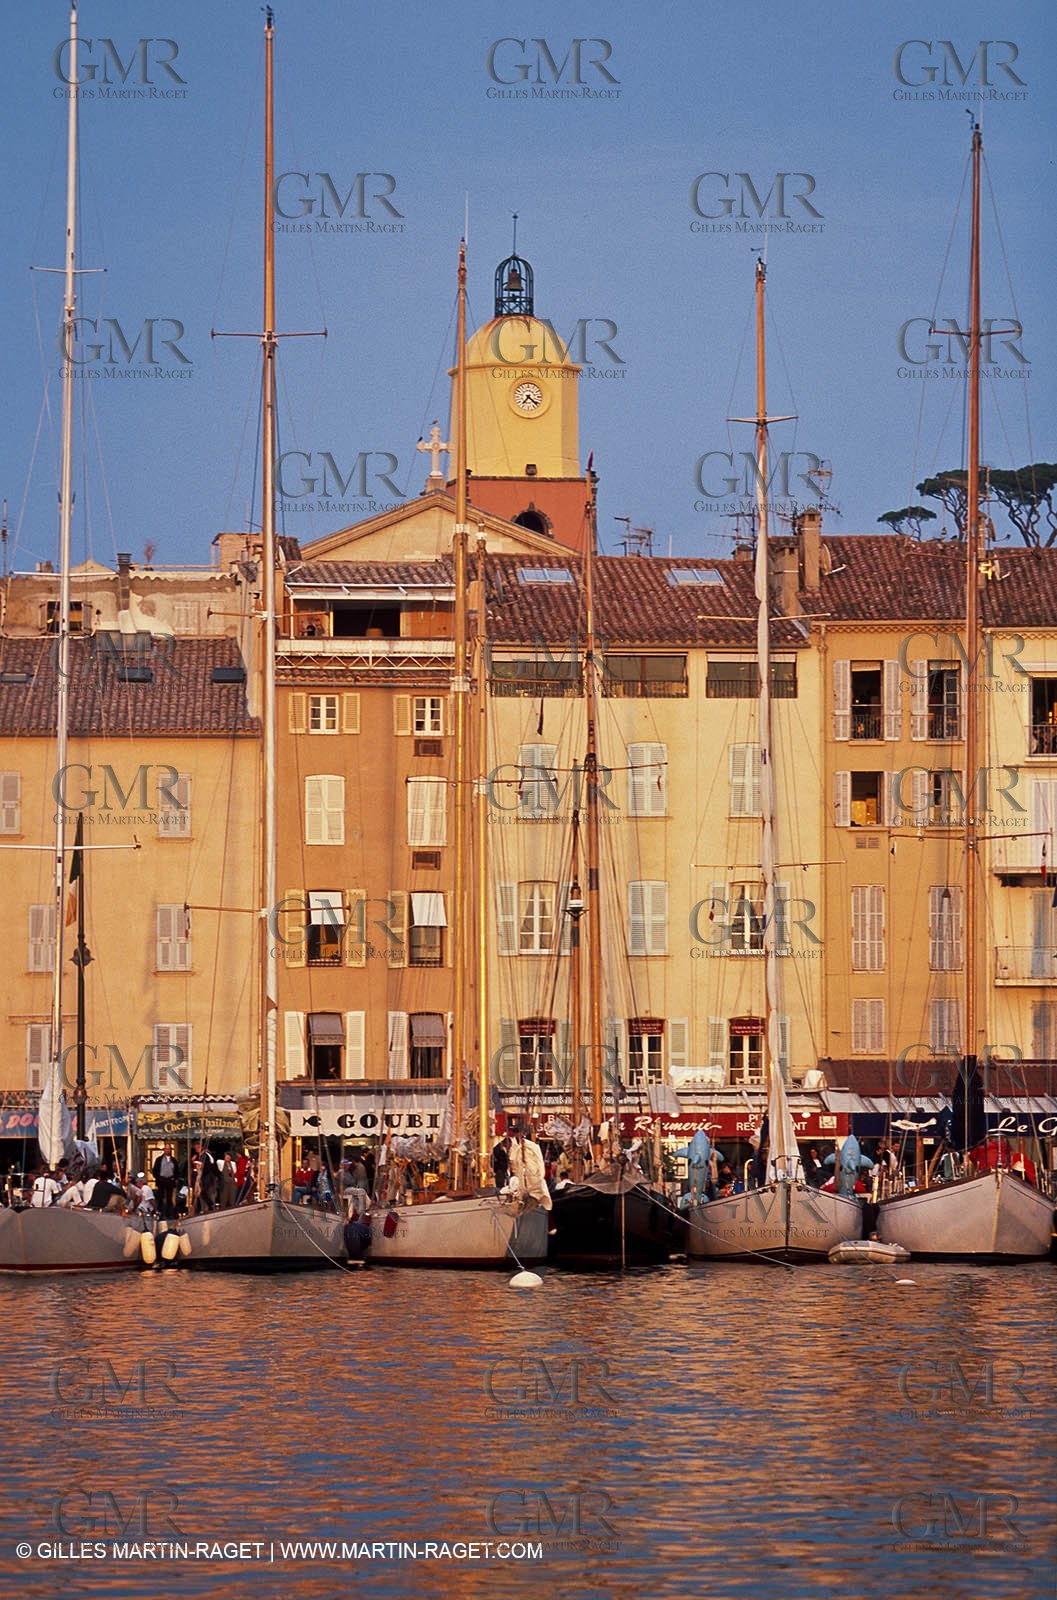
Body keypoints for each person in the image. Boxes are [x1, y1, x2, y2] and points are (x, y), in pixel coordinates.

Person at [152, 1144, 179, 1219]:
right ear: (164, 1150)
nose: (167, 1150)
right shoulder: (159, 1159)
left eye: (169, 1149)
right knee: (160, 1197)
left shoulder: (173, 1160)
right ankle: (160, 1213)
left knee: (169, 1198)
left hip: (170, 1180)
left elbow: (177, 1171)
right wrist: (158, 1178)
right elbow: (155, 1170)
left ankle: (169, 1214)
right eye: (166, 1149)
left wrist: (174, 1178)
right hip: (161, 1180)